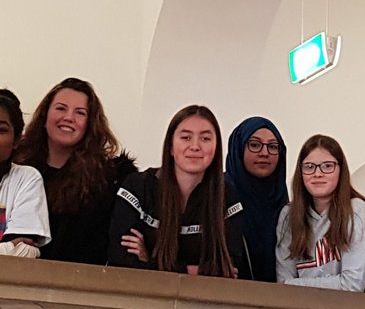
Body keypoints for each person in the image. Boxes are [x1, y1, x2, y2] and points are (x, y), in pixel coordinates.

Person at [108, 105, 242, 275]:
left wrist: (149, 261)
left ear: (217, 149)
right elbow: (121, 261)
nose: (195, 146)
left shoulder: (228, 196)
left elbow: (231, 269)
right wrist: (191, 270)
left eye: (205, 139)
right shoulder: (137, 187)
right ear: (170, 146)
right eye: (186, 137)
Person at [16, 77, 135, 264]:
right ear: (45, 116)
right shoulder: (14, 167)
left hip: (79, 284)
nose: (69, 118)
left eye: (80, 113)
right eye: (61, 108)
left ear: (90, 123)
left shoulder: (110, 180)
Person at [276, 135, 365, 291]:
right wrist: (289, 286)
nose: (318, 174)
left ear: (340, 170)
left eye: (327, 166)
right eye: (309, 166)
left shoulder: (357, 211)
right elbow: (283, 284)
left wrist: (294, 285)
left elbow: (352, 285)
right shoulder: (289, 215)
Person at [225, 115, 288, 281]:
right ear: (238, 148)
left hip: (280, 301)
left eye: (273, 147)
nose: (264, 153)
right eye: (254, 145)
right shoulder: (217, 195)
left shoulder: (283, 203)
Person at [0, 88, 50, 259]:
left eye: (1, 130)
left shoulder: (27, 178)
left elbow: (23, 252)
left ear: (16, 141)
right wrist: (7, 248)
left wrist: (12, 248)